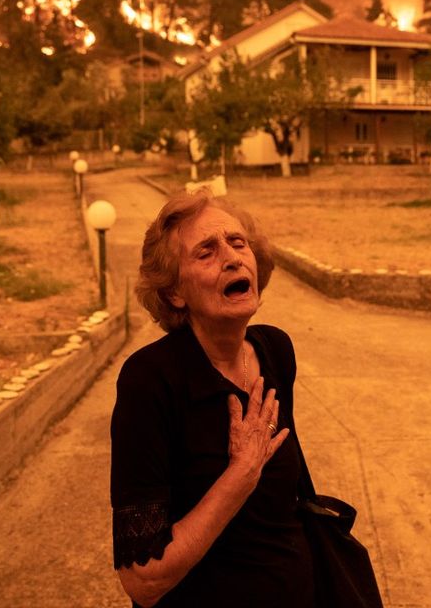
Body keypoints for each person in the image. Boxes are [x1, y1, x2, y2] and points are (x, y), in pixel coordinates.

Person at [111, 190, 314, 607]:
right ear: (174, 293)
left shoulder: (275, 350)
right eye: (206, 252)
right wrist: (240, 476)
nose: (233, 257)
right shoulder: (149, 381)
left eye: (238, 243)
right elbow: (142, 581)